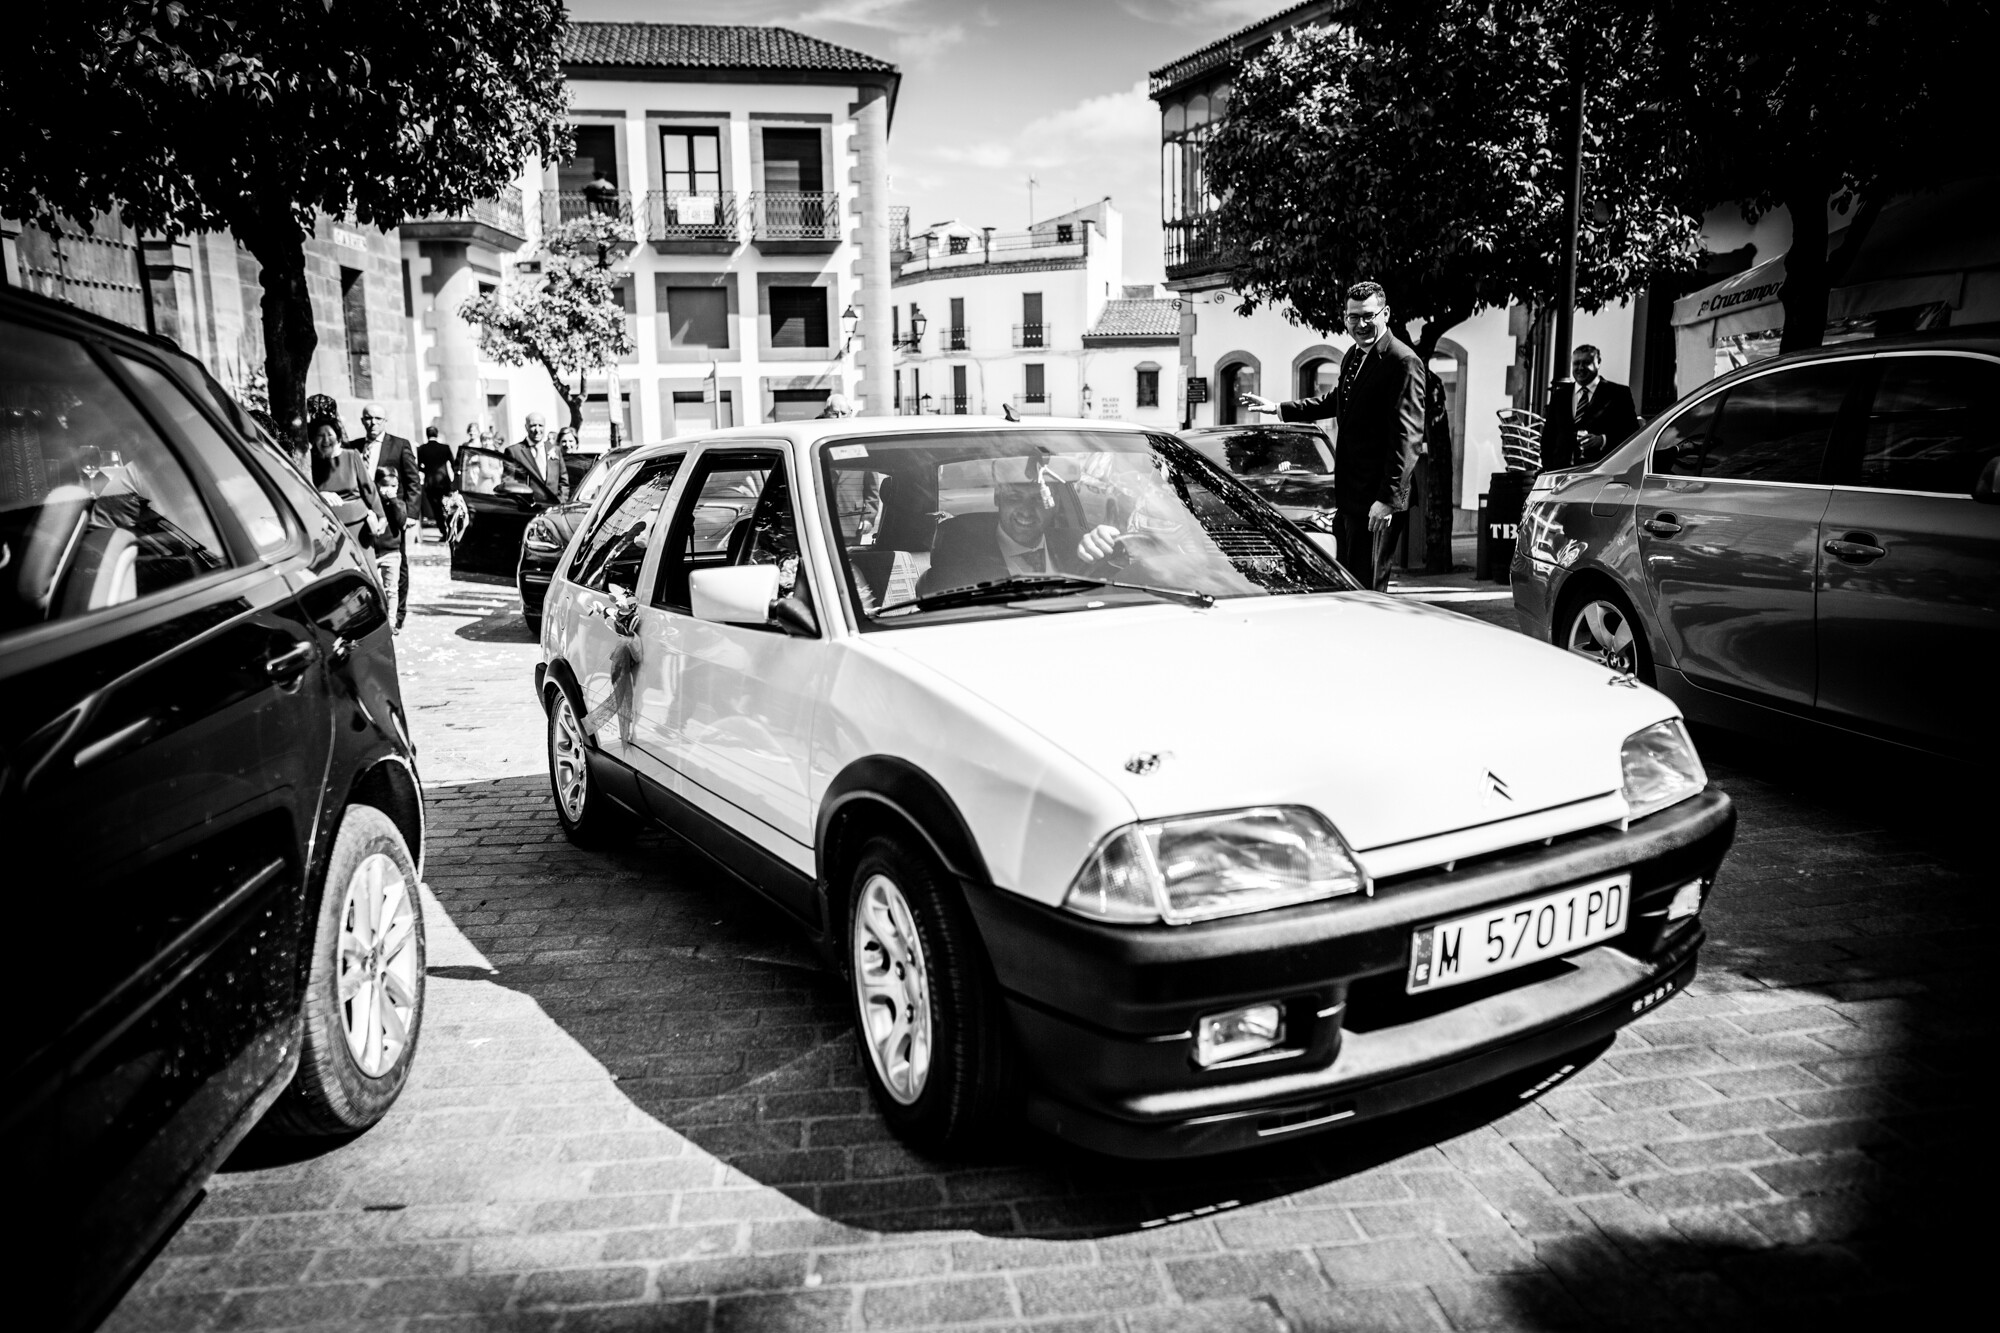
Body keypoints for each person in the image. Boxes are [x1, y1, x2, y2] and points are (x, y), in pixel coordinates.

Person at [1239, 280, 1425, 590]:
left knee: (1368, 588)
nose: (1361, 324)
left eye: (1368, 315)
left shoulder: (1402, 362)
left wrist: (1388, 500)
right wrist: (1279, 409)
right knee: (1348, 583)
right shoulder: (1353, 355)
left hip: (1377, 500)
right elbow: (1335, 400)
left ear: (1386, 313)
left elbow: (1407, 438)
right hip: (1351, 495)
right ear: (1345, 318)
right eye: (1354, 317)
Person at [924, 465, 1120, 592]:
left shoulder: (1079, 546)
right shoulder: (961, 562)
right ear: (997, 498)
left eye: (1039, 499)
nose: (1026, 511)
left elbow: (1116, 591)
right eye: (1014, 497)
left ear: (1056, 503)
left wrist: (1113, 547)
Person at [351, 403, 421, 631]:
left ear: (385, 421)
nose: (373, 423)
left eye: (378, 419)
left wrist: (410, 513)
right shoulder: (353, 448)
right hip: (364, 516)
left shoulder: (399, 445)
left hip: (392, 515)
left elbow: (413, 481)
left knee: (397, 566)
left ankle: (397, 615)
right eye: (368, 418)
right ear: (363, 421)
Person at [308, 411, 389, 572]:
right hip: (328, 528)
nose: (325, 440)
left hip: (358, 526)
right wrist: (320, 495)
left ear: (337, 437)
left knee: (367, 571)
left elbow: (369, 489)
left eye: (329, 434)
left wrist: (381, 517)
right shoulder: (310, 462)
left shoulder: (352, 456)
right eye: (320, 435)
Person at [1571, 345, 1641, 463]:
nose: (1580, 368)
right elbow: (1549, 436)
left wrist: (1602, 440)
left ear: (1598, 362)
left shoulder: (1619, 394)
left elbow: (1632, 433)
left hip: (1599, 470)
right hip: (1560, 472)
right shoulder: (1560, 395)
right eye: (1576, 363)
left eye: (1586, 362)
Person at [505, 412, 566, 501]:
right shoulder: (514, 452)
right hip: (527, 507)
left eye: (540, 425)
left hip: (553, 508)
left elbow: (563, 481)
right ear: (526, 427)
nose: (537, 430)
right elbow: (508, 482)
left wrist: (561, 501)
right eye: (533, 425)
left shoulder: (555, 450)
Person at [417, 425, 457, 538]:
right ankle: (451, 528)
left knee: (436, 509)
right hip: (444, 481)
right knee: (448, 506)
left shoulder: (422, 449)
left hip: (430, 482)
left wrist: (427, 469)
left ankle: (443, 531)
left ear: (427, 434)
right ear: (437, 434)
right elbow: (454, 464)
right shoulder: (445, 447)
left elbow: (419, 466)